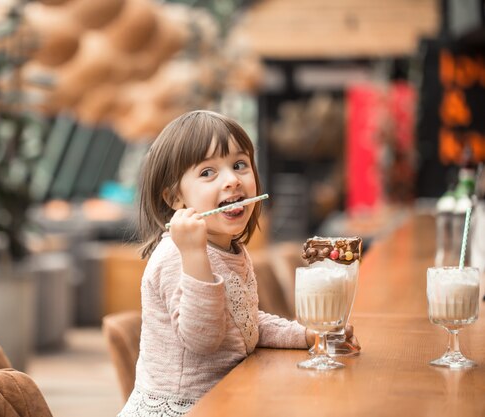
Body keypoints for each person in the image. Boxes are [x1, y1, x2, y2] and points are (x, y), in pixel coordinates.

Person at [119, 110, 358, 417]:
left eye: (240, 165)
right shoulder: (177, 255)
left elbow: (244, 322)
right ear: (174, 198)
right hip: (183, 410)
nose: (232, 180)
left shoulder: (231, 249)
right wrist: (194, 256)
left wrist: (307, 334)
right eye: (208, 172)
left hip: (229, 399)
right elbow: (203, 340)